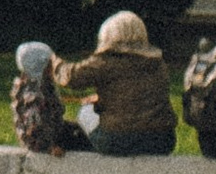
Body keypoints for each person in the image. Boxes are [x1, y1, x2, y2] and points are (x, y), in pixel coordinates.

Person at [54, 8, 178, 159]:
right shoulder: (158, 63)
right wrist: (102, 99)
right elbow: (137, 94)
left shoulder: (106, 60)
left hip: (119, 141)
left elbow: (71, 78)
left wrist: (54, 63)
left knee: (85, 110)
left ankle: (86, 148)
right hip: (162, 140)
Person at [10, 40, 85, 155]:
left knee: (82, 132)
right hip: (43, 141)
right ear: (42, 67)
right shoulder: (34, 95)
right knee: (83, 142)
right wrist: (49, 147)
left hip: (52, 131)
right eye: (51, 64)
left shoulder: (40, 85)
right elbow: (34, 125)